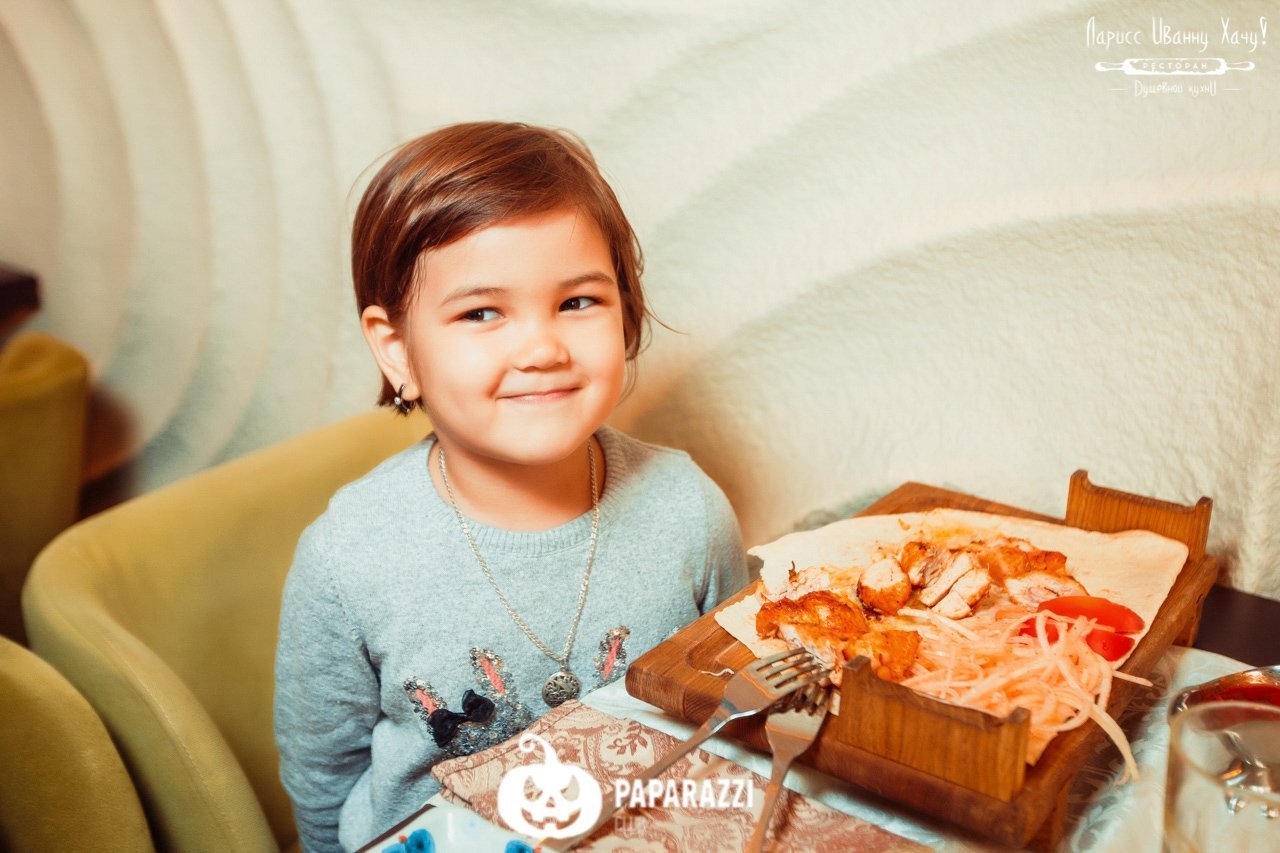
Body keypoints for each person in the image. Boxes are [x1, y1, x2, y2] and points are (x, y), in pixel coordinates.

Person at [274, 121, 748, 852]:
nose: (541, 348)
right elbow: (323, 784)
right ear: (397, 350)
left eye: (578, 302)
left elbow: (736, 716)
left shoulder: (688, 509)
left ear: (625, 315)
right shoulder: (348, 559)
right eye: (481, 313)